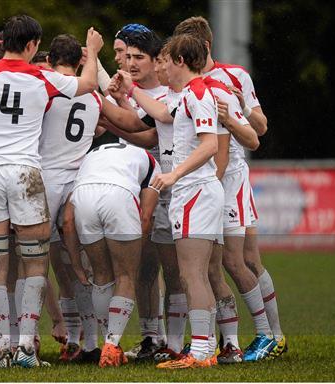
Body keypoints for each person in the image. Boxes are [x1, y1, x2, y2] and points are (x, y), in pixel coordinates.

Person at [0, 14, 103, 368]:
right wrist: (94, 50)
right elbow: (87, 85)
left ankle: (5, 348)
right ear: (31, 46)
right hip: (26, 172)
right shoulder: (43, 77)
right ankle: (26, 347)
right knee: (34, 262)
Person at [175, 16, 286, 361]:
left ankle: (271, 336)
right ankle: (230, 342)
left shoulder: (232, 77)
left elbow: (259, 130)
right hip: (208, 180)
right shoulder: (182, 85)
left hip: (230, 177)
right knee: (216, 265)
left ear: (203, 47)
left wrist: (234, 113)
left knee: (241, 261)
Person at [113, 33, 224, 369]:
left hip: (195, 190)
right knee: (194, 275)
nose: (161, 66)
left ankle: (203, 351)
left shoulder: (199, 93)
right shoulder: (187, 94)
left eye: (164, 60)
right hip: (192, 191)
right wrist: (128, 91)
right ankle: (206, 348)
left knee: (193, 275)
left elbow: (210, 145)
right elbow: (161, 114)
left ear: (179, 61)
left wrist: (175, 174)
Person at [39, 34, 102, 362]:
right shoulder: (94, 98)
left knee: (35, 264)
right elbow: (118, 124)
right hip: (79, 185)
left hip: (45, 182)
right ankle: (88, 342)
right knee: (78, 267)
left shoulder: (44, 88)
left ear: (48, 60)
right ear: (79, 61)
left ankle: (25, 341)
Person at [69, 143, 160, 367]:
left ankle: (107, 343)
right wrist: (138, 252)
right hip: (118, 194)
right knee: (126, 276)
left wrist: (76, 263)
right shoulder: (150, 161)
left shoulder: (92, 155)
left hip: (84, 196)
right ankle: (112, 344)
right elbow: (146, 217)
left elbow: (67, 220)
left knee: (101, 276)